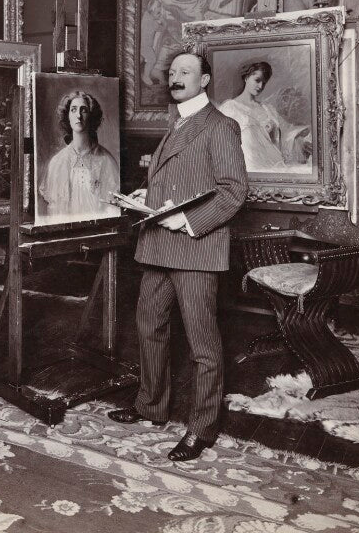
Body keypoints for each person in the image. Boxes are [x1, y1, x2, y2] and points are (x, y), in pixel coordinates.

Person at [108, 52, 248, 462]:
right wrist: (146, 195)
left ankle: (202, 429)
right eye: (171, 72)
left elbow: (234, 191)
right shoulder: (177, 122)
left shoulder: (220, 126)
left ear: (204, 80)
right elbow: (178, 179)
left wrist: (188, 221)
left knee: (202, 343)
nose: (175, 77)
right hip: (159, 245)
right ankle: (151, 407)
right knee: (149, 326)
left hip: (196, 248)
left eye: (185, 71)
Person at [38, 90, 120, 220]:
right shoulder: (57, 162)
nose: (78, 115)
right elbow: (53, 211)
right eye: (73, 110)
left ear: (91, 116)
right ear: (67, 116)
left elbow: (112, 209)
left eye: (84, 110)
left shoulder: (106, 160)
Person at [218, 62, 312, 173]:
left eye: (264, 82)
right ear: (246, 78)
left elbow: (287, 134)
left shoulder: (268, 109)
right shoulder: (229, 108)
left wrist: (303, 138)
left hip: (273, 163)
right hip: (248, 167)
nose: (260, 86)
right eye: (257, 80)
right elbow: (222, 144)